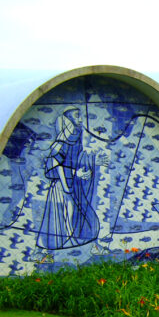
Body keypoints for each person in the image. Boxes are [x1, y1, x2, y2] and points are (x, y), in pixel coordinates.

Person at [37, 107, 107, 249]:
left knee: (85, 216)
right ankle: (55, 249)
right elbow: (55, 163)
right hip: (62, 187)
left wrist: (93, 160)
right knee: (67, 216)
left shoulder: (76, 139)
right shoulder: (61, 143)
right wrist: (74, 175)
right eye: (77, 116)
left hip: (73, 185)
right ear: (68, 120)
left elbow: (78, 159)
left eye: (80, 116)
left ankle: (89, 246)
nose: (81, 119)